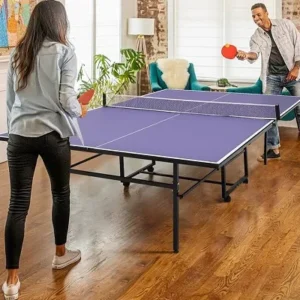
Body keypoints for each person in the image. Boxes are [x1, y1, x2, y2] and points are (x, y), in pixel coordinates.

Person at [2, 1, 88, 299]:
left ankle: (12, 281)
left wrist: (18, 127)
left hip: (19, 135)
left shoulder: (18, 52)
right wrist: (80, 109)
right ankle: (60, 254)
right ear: (58, 22)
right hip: (52, 134)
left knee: (17, 204)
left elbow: (11, 101)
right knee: (60, 193)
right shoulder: (65, 51)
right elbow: (67, 99)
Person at [236, 2, 300, 162]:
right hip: (272, 77)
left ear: (266, 13)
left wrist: (296, 69)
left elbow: (299, 46)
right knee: (268, 113)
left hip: (293, 74)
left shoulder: (286, 25)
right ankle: (274, 149)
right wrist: (245, 55)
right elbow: (254, 54)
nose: (256, 18)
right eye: (253, 16)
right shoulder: (256, 36)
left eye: (258, 14)